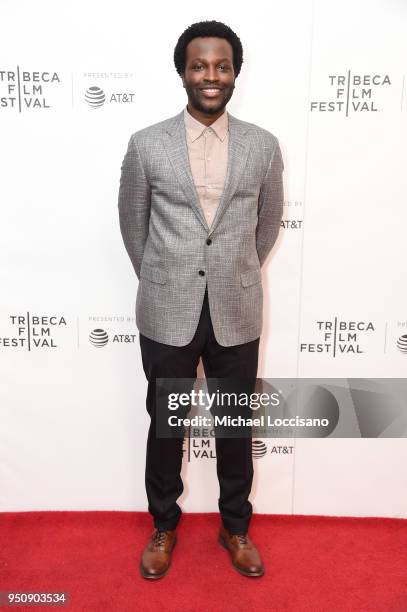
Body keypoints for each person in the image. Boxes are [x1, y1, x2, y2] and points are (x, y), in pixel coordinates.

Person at [118, 19, 284, 580]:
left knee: (235, 426)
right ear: (182, 71)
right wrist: (167, 277)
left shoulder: (263, 145)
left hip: (237, 307)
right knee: (167, 424)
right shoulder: (147, 144)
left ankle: (236, 526)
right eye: (199, 65)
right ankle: (163, 525)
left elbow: (267, 225)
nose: (210, 76)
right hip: (167, 309)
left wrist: (231, 271)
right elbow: (132, 225)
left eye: (221, 65)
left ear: (235, 72)